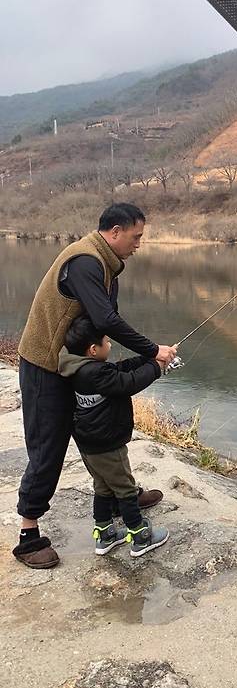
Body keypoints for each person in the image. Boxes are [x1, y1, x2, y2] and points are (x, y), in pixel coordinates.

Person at [14, 203, 177, 569]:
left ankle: (124, 494)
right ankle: (28, 534)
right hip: (46, 365)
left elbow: (102, 323)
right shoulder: (86, 261)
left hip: (74, 363)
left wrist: (143, 358)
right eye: (136, 236)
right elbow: (105, 318)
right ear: (115, 232)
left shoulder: (107, 265)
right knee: (48, 445)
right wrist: (153, 352)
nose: (139, 243)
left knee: (99, 428)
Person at [58, 317, 169, 557]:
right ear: (93, 349)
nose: (110, 345)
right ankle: (140, 536)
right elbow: (127, 382)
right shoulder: (95, 373)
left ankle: (105, 535)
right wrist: (157, 368)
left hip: (89, 444)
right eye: (107, 341)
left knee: (103, 488)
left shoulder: (78, 368)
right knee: (125, 488)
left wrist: (149, 358)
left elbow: (120, 370)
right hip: (107, 443)